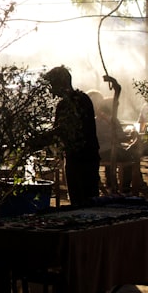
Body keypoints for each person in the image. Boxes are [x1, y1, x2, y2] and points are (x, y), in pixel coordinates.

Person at [39, 65, 100, 207]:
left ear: (61, 84)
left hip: (82, 160)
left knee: (84, 200)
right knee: (83, 200)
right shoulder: (76, 101)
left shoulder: (75, 102)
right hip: (80, 158)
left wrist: (37, 141)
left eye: (52, 85)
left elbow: (60, 131)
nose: (51, 90)